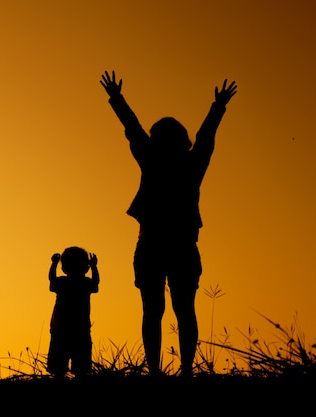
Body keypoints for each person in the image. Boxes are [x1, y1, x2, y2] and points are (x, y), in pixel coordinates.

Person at [100, 70, 237, 376]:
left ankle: (156, 370)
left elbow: (133, 130)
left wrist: (117, 98)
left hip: (152, 243)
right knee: (184, 310)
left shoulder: (153, 159)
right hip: (181, 246)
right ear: (182, 140)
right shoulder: (191, 163)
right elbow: (205, 139)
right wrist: (217, 107)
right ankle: (185, 369)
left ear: (156, 139)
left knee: (153, 311)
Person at [46, 246, 100, 377]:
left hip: (60, 328)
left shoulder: (62, 283)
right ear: (86, 268)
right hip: (80, 328)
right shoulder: (85, 283)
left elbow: (51, 279)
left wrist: (53, 264)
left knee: (58, 366)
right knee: (81, 365)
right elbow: (96, 283)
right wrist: (94, 267)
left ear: (64, 268)